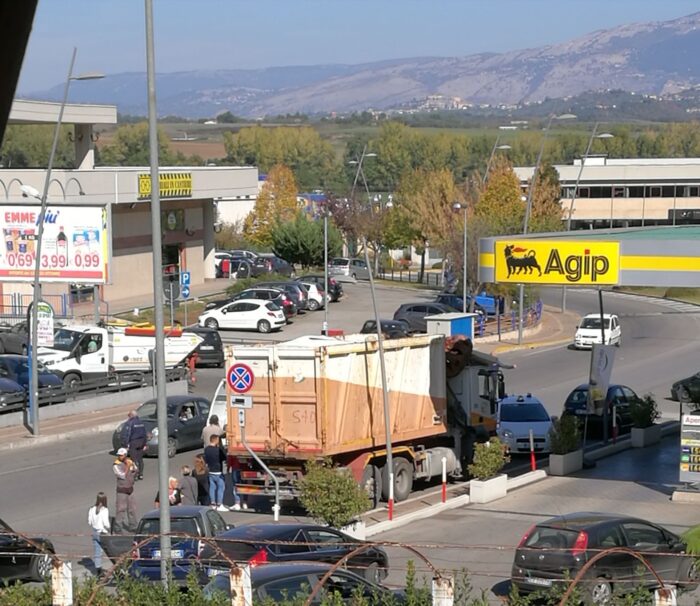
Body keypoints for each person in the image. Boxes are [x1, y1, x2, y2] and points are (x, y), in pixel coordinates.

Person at [113, 447, 137, 533]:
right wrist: (127, 466)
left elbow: (135, 471)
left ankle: (133, 525)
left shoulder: (130, 462)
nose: (120, 457)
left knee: (132, 508)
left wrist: (132, 466)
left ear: (125, 455)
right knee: (121, 509)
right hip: (122, 490)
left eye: (121, 455)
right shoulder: (116, 465)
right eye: (119, 455)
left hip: (130, 489)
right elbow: (122, 475)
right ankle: (118, 527)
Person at [87, 492, 110, 578]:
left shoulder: (91, 509)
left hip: (94, 532)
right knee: (108, 551)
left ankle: (98, 570)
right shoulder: (104, 510)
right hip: (102, 533)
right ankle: (115, 567)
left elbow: (89, 522)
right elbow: (106, 524)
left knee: (97, 552)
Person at [120, 410, 147, 480]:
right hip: (141, 442)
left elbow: (126, 434)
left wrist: (125, 445)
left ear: (131, 415)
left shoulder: (129, 423)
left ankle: (135, 474)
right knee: (140, 459)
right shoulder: (141, 422)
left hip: (133, 443)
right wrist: (144, 444)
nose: (128, 417)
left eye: (129, 415)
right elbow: (144, 434)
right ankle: (141, 474)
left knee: (133, 459)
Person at [203, 434, 227, 511]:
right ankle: (219, 504)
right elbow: (224, 457)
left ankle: (213, 503)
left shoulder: (206, 449)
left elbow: (205, 459)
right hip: (218, 471)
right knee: (221, 488)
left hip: (211, 471)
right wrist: (221, 447)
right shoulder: (218, 450)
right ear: (216, 440)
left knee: (212, 488)